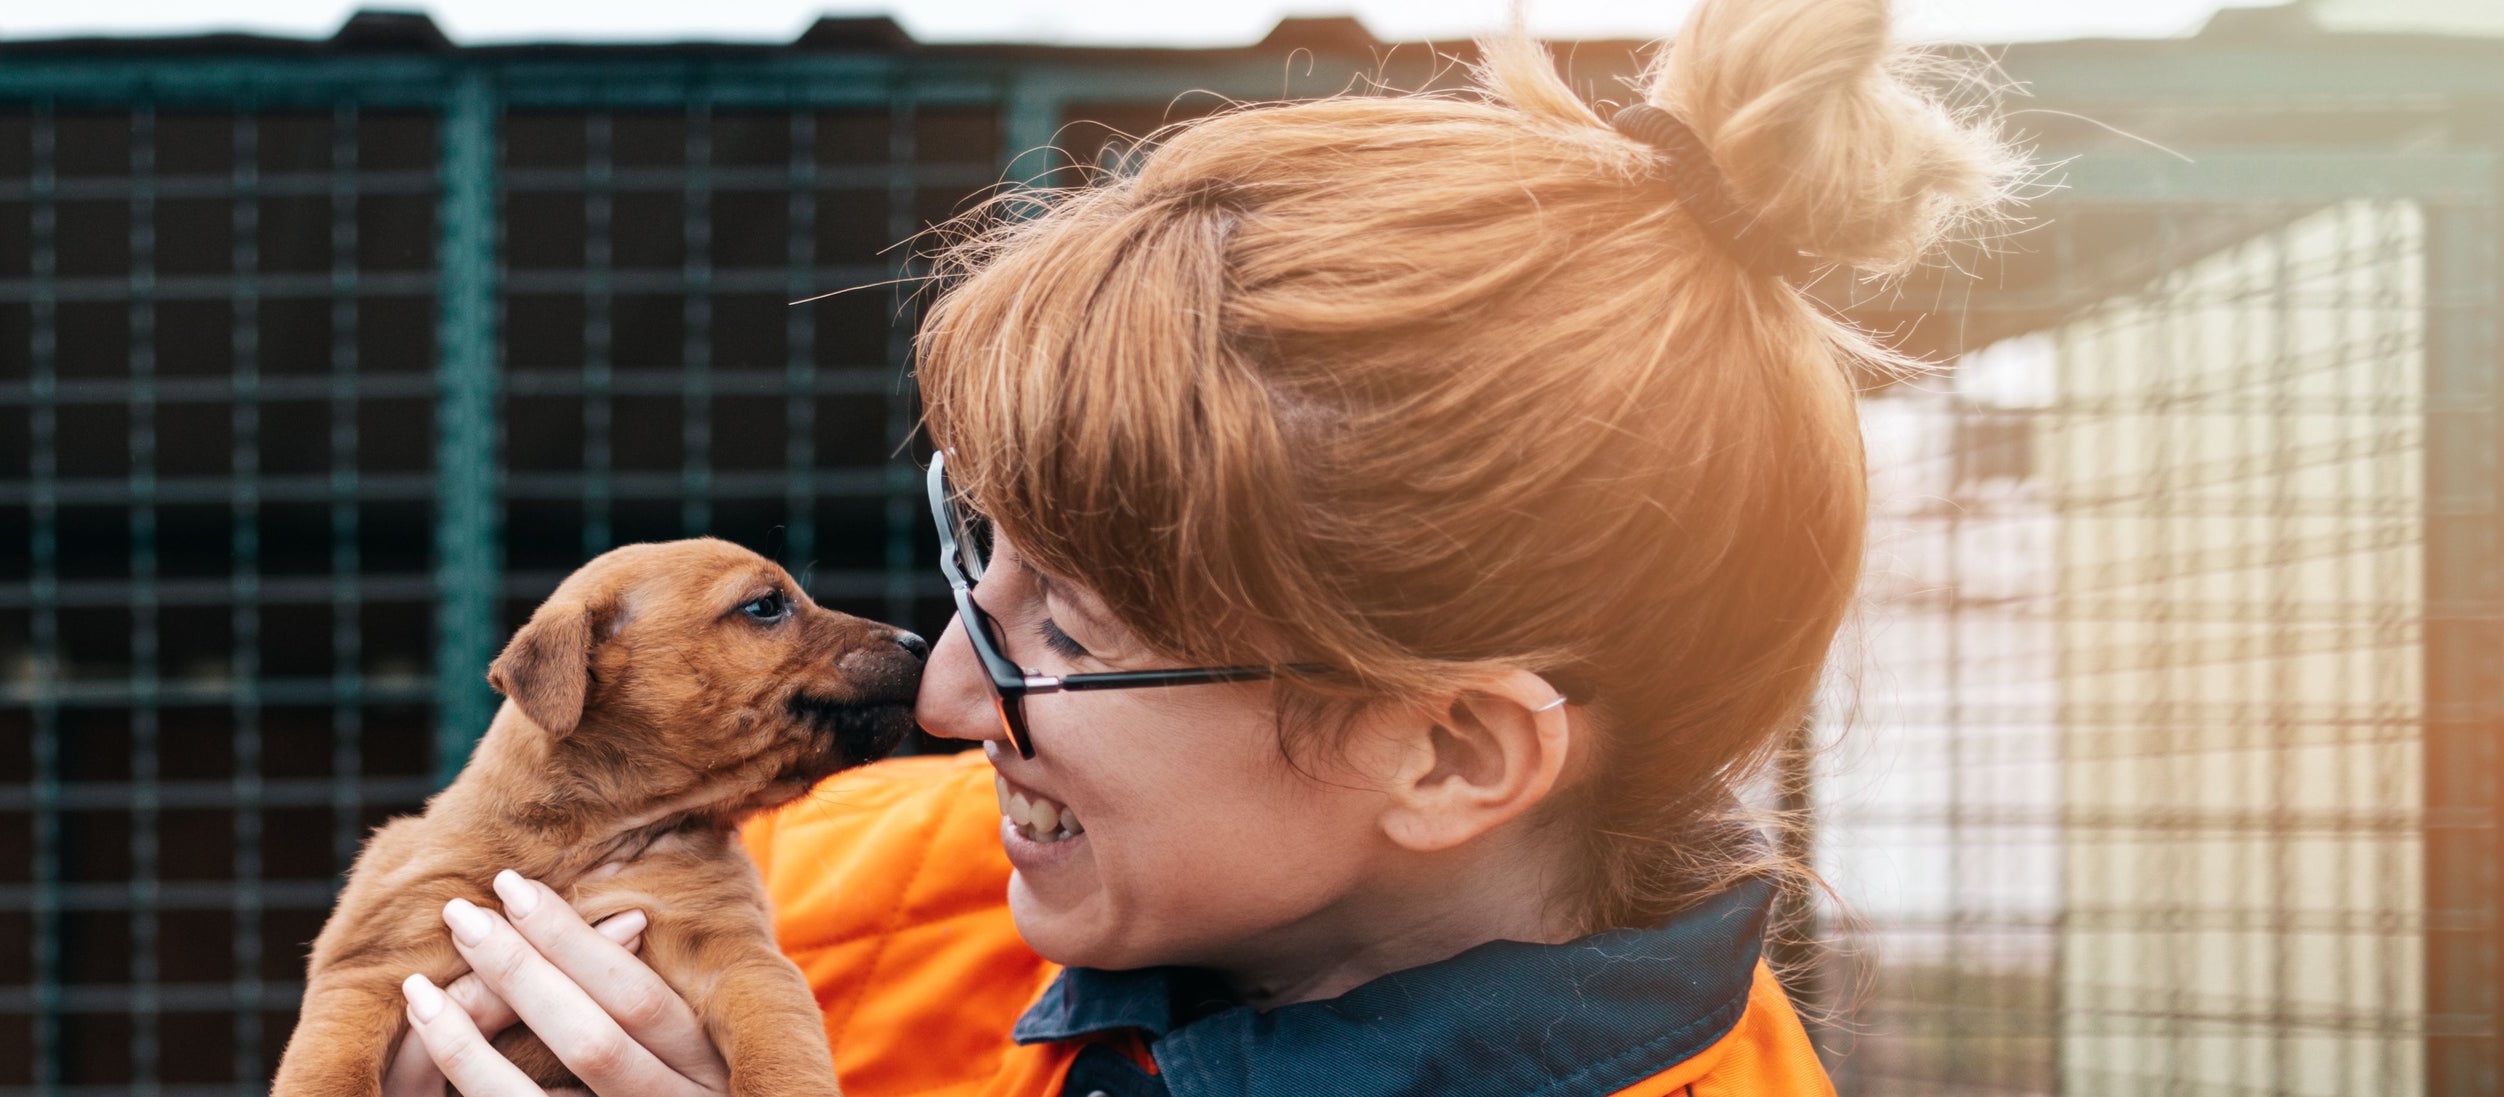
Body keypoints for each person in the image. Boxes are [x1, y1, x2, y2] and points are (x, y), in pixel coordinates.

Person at [383, 0, 2022, 1091]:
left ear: (1449, 748)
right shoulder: (868, 882)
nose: (949, 690)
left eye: (1071, 630)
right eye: (980, 546)